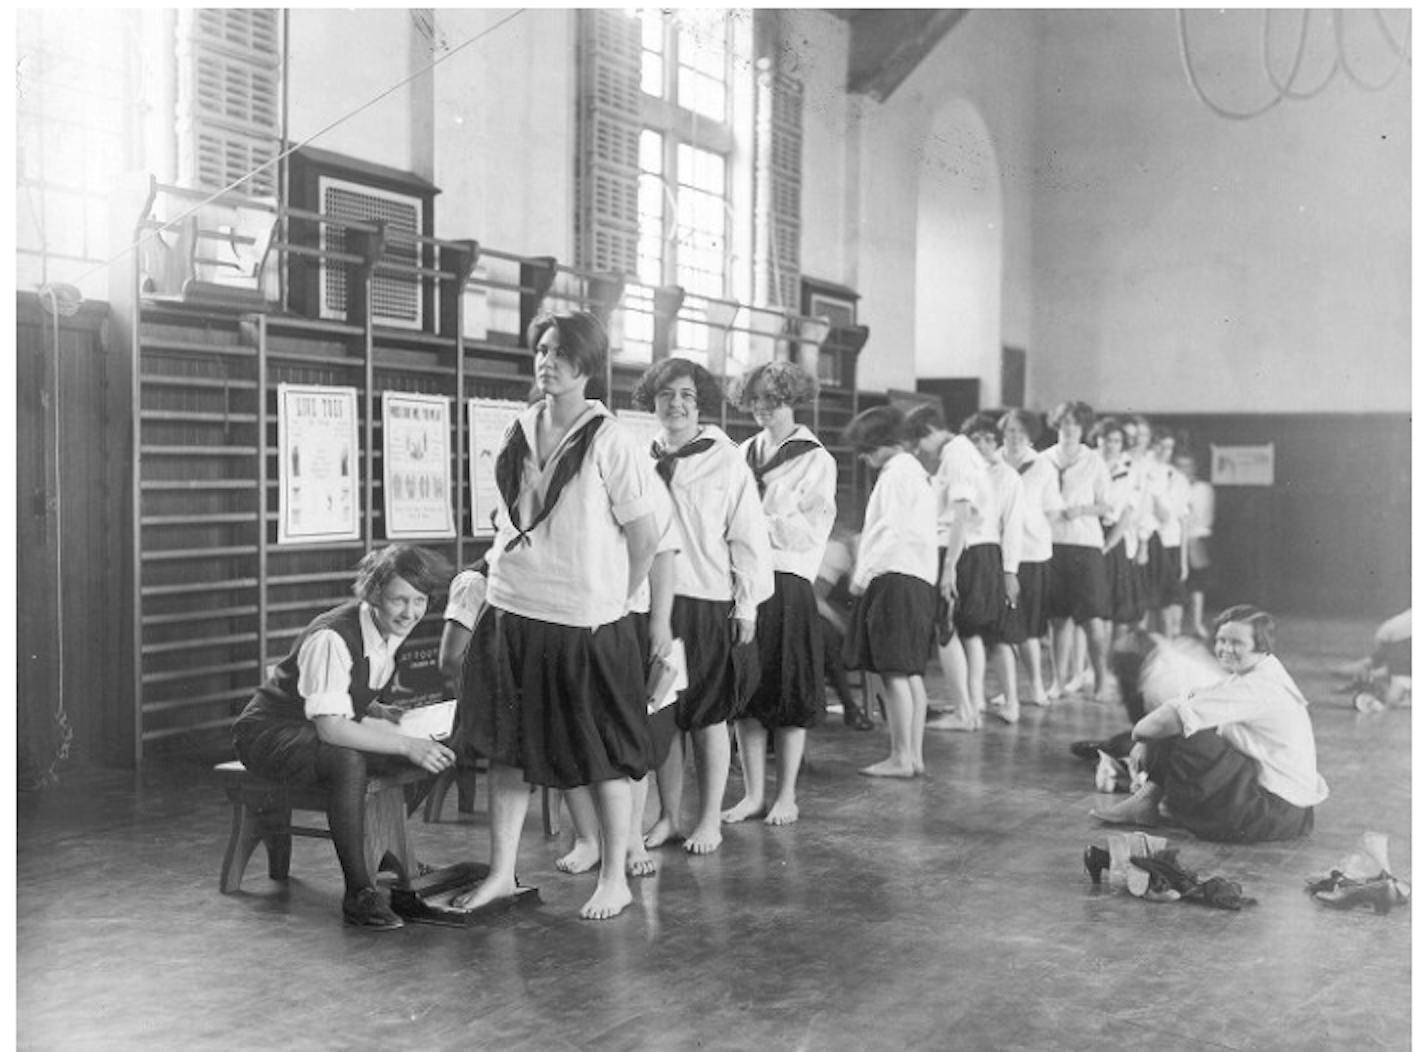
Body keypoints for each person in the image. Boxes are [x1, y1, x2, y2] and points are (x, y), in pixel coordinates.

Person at [452, 310, 664, 921]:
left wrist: (615, 600)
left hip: (585, 622)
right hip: (515, 608)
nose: (546, 361)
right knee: (508, 750)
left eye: (559, 353)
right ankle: (500, 874)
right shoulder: (521, 428)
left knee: (603, 753)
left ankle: (616, 877)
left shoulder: (611, 440)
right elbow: (510, 517)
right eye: (541, 350)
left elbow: (646, 537)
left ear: (587, 365)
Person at [232, 544, 457, 930]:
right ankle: (359, 893)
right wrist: (405, 743)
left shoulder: (387, 628)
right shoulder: (333, 637)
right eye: (399, 600)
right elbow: (331, 728)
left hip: (310, 725)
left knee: (437, 747)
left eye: (419, 600)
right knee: (347, 758)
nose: (411, 612)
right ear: (373, 595)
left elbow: (341, 693)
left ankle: (381, 847)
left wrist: (378, 712)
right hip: (267, 734)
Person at [631, 357, 773, 855]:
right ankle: (669, 817)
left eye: (687, 395)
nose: (676, 404)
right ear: (652, 400)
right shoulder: (638, 457)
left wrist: (747, 605)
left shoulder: (725, 458)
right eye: (667, 394)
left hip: (708, 601)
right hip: (651, 604)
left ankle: (708, 818)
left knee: (709, 715)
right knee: (663, 716)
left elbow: (749, 536)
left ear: (701, 403)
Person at [1091, 605, 1329, 842]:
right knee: (1182, 717)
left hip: (1271, 813)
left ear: (1261, 643)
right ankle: (1145, 801)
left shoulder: (1257, 686)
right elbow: (1188, 700)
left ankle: (1148, 801)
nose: (1225, 649)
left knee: (1185, 727)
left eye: (1236, 643)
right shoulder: (1257, 672)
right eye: (1221, 640)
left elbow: (1155, 724)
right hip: (1285, 809)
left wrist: (1141, 740)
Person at [725, 360, 837, 827]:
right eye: (756, 402)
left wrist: (754, 524)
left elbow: (807, 533)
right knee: (746, 695)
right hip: (745, 581)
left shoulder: (815, 458)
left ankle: (786, 794)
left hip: (788, 585)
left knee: (788, 694)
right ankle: (753, 794)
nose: (763, 411)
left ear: (792, 401)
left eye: (772, 402)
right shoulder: (741, 453)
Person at [840, 405, 939, 778]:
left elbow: (890, 532)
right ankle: (912, 756)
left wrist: (862, 576)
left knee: (894, 672)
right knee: (910, 673)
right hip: (917, 579)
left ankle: (900, 756)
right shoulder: (915, 472)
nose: (864, 459)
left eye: (866, 450)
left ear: (884, 443)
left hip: (895, 576)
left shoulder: (897, 474)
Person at [902, 404, 987, 730]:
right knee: (951, 631)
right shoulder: (960, 451)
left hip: (957, 551)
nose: (919, 449)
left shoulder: (956, 453)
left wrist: (949, 567)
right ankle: (967, 708)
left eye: (918, 440)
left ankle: (965, 712)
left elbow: (962, 513)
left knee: (946, 631)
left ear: (927, 431)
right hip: (959, 548)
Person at [1041, 401, 1112, 702]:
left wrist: (1081, 509)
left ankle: (1100, 681)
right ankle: (1058, 682)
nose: (1069, 428)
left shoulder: (1094, 460)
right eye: (1064, 422)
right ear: (1056, 424)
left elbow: (1107, 506)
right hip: (1052, 545)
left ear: (1083, 428)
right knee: (1058, 620)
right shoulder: (1043, 459)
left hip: (1085, 545)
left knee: (1093, 620)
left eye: (1075, 424)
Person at [961, 412, 1026, 724]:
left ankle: (1012, 701)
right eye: (975, 440)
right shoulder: (961, 471)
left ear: (997, 443)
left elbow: (1012, 527)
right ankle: (974, 701)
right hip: (963, 555)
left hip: (991, 557)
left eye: (988, 439)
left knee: (1000, 635)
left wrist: (1010, 571)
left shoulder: (1008, 477)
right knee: (970, 630)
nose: (982, 445)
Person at [998, 409, 1063, 707]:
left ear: (1030, 436)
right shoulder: (992, 460)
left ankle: (1036, 686)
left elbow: (1052, 511)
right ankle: (1007, 690)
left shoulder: (1043, 466)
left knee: (1031, 628)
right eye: (1010, 431)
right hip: (999, 553)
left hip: (1032, 554)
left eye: (1021, 432)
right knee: (1003, 627)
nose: (1014, 437)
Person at [815, 525, 875, 730]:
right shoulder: (836, 554)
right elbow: (815, 600)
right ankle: (850, 708)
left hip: (842, 617)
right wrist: (843, 627)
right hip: (816, 615)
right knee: (827, 638)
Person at [1175, 450, 1214, 638]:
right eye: (1180, 466)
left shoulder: (1203, 489)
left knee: (1197, 583)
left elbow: (1202, 517)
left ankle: (1196, 624)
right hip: (1174, 540)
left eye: (1188, 466)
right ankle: (1176, 626)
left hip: (1195, 539)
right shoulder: (1171, 485)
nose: (1184, 470)